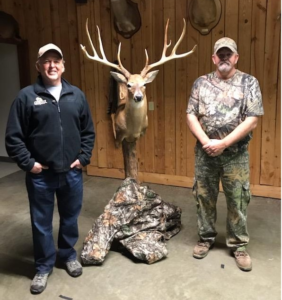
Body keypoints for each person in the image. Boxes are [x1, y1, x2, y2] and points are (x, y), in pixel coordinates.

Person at [5, 43, 95, 293]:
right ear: (38, 66)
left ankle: (67, 255)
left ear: (64, 65)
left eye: (57, 60)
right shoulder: (26, 96)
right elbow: (13, 137)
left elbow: (88, 131)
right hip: (40, 176)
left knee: (70, 218)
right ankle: (43, 267)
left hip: (72, 173)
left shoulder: (76, 95)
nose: (52, 65)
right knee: (41, 222)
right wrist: (29, 164)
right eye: (46, 61)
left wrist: (84, 157)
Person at [186, 37, 264, 272]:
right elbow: (191, 115)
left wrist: (224, 143)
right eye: (220, 54)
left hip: (235, 155)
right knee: (204, 197)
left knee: (237, 199)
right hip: (205, 153)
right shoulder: (201, 83)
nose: (224, 58)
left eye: (228, 54)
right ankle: (206, 238)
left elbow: (252, 120)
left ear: (236, 58)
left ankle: (239, 245)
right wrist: (206, 141)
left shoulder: (249, 83)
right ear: (213, 58)